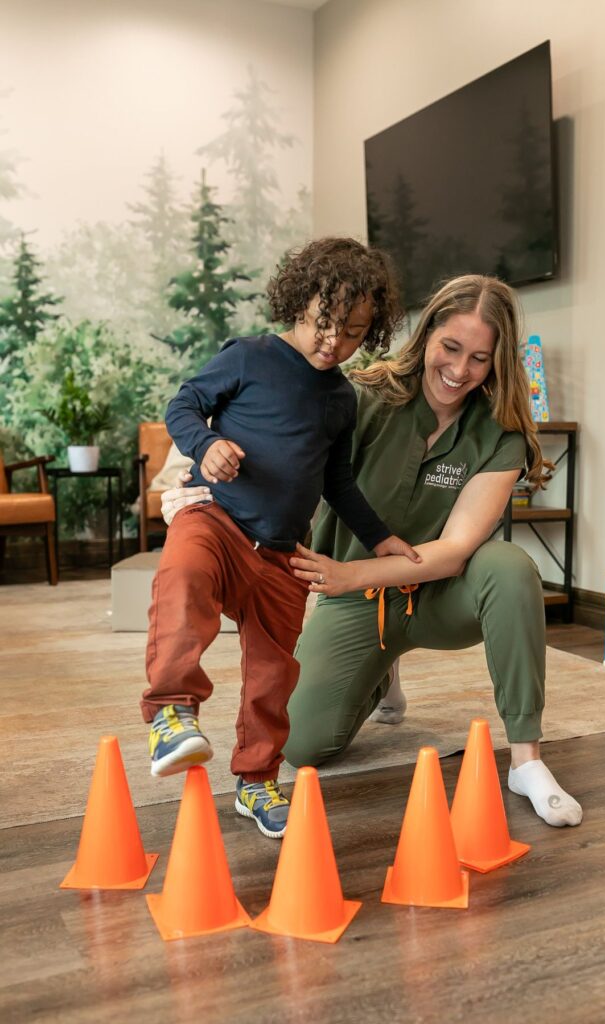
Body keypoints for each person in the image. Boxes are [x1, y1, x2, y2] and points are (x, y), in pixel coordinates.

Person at [163, 273, 583, 829]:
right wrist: (181, 489)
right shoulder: (360, 393)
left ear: (497, 362)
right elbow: (238, 415)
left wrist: (351, 572)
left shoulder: (500, 433)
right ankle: (381, 671)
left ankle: (526, 759)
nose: (459, 371)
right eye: (450, 348)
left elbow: (456, 549)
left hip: (438, 596)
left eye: (480, 358)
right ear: (427, 332)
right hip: (355, 604)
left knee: (509, 566)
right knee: (302, 745)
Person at [142, 237, 420, 839]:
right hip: (216, 519)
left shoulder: (341, 397)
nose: (333, 343)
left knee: (273, 673)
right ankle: (171, 711)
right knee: (182, 581)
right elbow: (183, 405)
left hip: (283, 551)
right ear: (300, 302)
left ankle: (257, 780)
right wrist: (206, 445)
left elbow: (338, 481)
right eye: (326, 323)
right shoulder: (248, 356)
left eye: (352, 332)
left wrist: (379, 540)